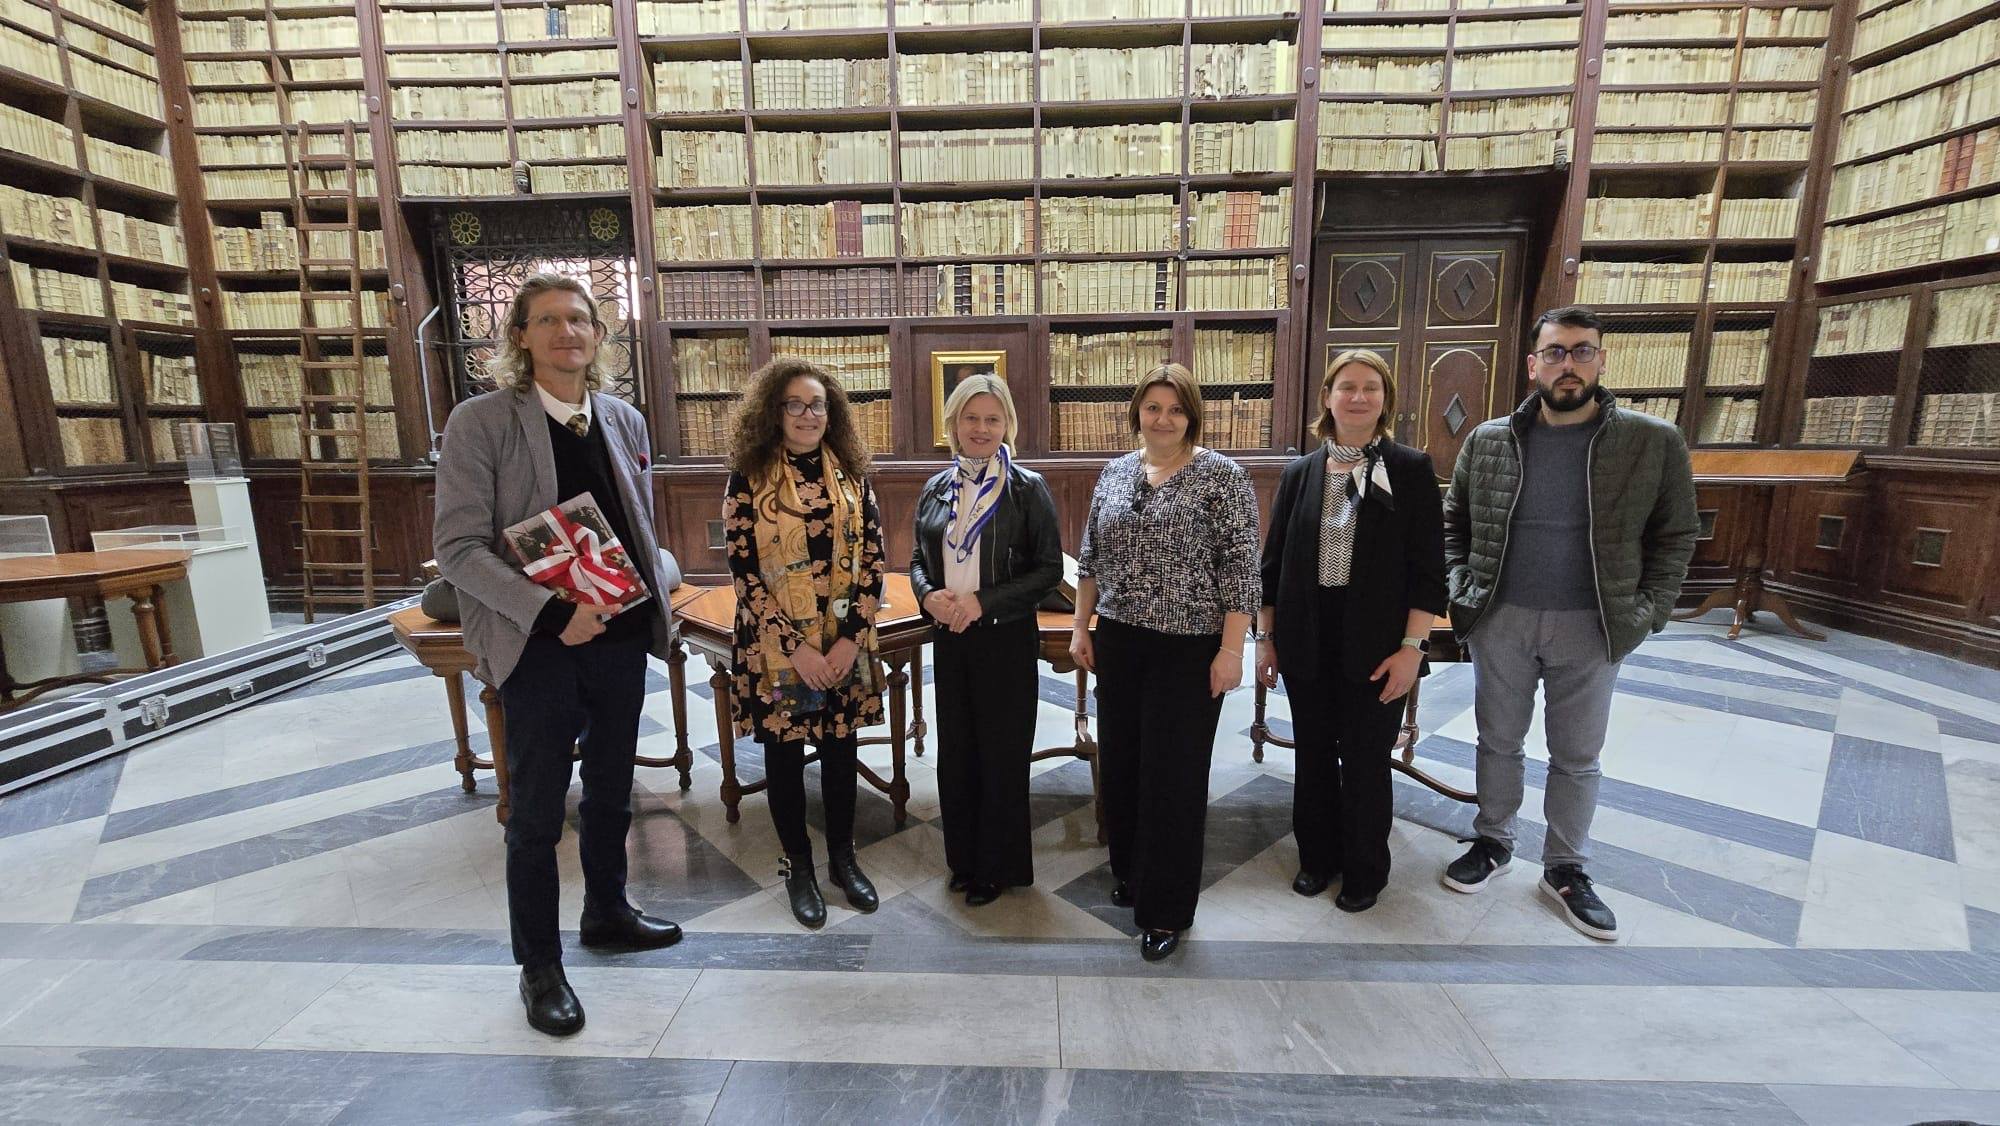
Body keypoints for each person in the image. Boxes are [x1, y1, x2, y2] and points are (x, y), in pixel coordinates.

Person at [433, 272, 683, 1038]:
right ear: (520, 335)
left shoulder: (624, 419)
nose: (566, 332)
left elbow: (636, 527)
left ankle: (607, 911)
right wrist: (551, 614)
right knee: (538, 810)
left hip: (620, 637)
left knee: (611, 790)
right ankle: (539, 966)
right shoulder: (481, 422)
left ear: (598, 335)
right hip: (538, 645)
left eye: (579, 319)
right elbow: (458, 548)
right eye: (547, 320)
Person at [1440, 305, 1699, 941]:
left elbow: (1676, 535)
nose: (1569, 364)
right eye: (1555, 352)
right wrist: (1460, 588)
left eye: (1582, 351)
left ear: (1601, 361)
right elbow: (1454, 522)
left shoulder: (1652, 441)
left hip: (1594, 623)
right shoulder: (1490, 440)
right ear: (1534, 365)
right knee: (1497, 739)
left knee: (1577, 754)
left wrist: (1646, 612)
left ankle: (1565, 867)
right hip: (1502, 617)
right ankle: (1493, 841)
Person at [1070, 362, 1260, 962]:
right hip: (1120, 641)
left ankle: (1167, 909)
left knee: (1173, 778)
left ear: (1192, 416)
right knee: (1124, 765)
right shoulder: (1115, 472)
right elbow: (1090, 559)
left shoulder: (1222, 477)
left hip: (1190, 648)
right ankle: (1130, 872)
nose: (1163, 419)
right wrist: (1081, 626)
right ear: (1137, 413)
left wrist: (1232, 650)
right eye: (1153, 407)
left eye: (1176, 409)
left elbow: (1242, 573)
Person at [1256, 349, 1446, 913]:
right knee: (1313, 754)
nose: (1358, 397)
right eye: (1346, 386)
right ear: (1328, 397)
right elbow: (1272, 566)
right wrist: (1266, 639)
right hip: (1306, 636)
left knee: (1365, 759)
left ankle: (1365, 870)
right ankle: (1316, 859)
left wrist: (1412, 649)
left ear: (1386, 400)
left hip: (1380, 642)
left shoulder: (1410, 470)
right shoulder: (1299, 473)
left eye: (1370, 387)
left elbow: (1429, 573)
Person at [723, 356, 886, 930]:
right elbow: (743, 573)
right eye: (795, 404)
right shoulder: (748, 476)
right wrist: (797, 648)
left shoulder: (852, 474)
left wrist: (848, 643)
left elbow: (874, 560)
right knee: (785, 757)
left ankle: (843, 858)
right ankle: (799, 867)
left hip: (843, 643)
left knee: (841, 752)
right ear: (774, 411)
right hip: (778, 650)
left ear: (831, 412)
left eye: (817, 404)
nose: (808, 414)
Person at [910, 375, 1062, 906]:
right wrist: (928, 595)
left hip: (1005, 638)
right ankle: (964, 859)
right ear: (953, 424)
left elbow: (1048, 570)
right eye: (970, 418)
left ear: (1007, 426)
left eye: (992, 419)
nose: (981, 428)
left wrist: (984, 601)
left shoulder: (1028, 488)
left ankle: (997, 867)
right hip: (951, 638)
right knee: (957, 753)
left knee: (1001, 753)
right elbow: (916, 559)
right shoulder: (935, 488)